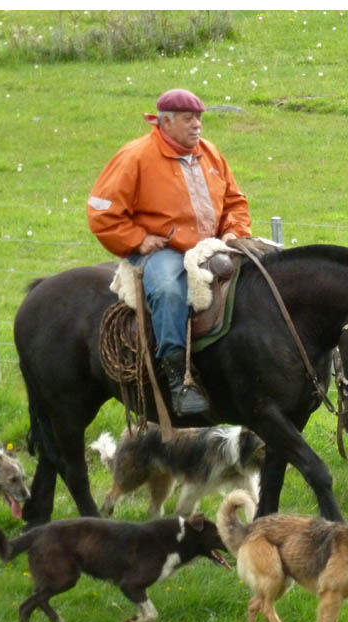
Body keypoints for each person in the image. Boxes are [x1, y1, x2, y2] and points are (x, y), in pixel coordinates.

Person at [87, 88, 252, 416]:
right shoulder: (135, 157)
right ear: (165, 121)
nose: (197, 126)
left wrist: (234, 230)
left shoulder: (211, 154)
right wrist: (136, 239)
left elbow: (235, 201)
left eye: (200, 118)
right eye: (189, 119)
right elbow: (101, 210)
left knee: (262, 274)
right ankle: (179, 380)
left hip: (214, 244)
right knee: (167, 290)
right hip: (166, 251)